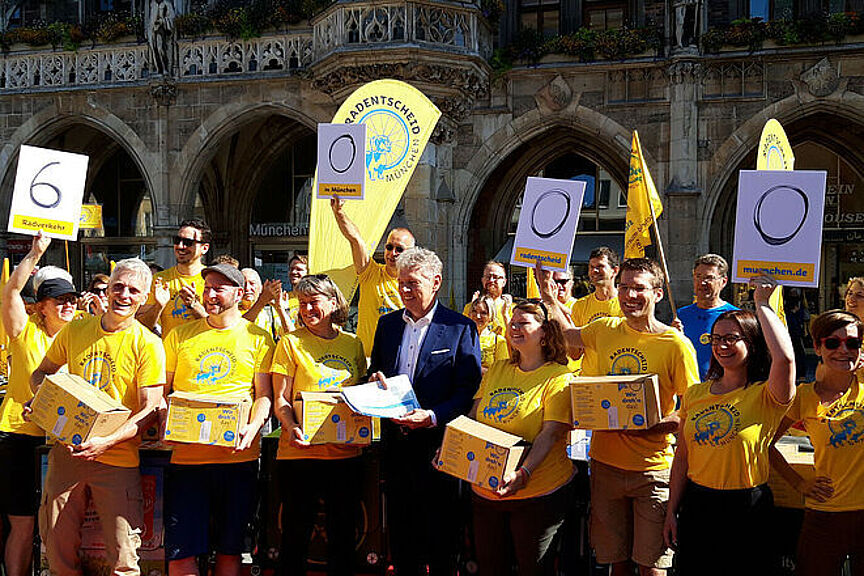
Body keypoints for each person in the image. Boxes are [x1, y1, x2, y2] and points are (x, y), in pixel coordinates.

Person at [537, 257, 700, 576]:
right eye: (624, 287)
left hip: (652, 471)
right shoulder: (604, 329)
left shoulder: (676, 345)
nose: (629, 296)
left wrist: (652, 426)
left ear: (658, 293)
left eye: (639, 288)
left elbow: (692, 412)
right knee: (616, 562)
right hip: (605, 467)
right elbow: (569, 335)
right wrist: (548, 296)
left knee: (651, 566)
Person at [30, 258, 166, 576]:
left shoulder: (148, 343)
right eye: (118, 287)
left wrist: (106, 442)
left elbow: (149, 410)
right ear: (108, 289)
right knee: (56, 547)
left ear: (144, 297)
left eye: (133, 290)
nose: (124, 295)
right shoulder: (76, 329)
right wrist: (43, 398)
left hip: (117, 457)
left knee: (124, 555)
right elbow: (41, 373)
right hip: (68, 452)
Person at [663, 276, 795, 576]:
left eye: (732, 338)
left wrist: (762, 304)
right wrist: (671, 510)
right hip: (698, 506)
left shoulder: (765, 395)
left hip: (748, 508)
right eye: (716, 338)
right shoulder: (695, 394)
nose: (722, 345)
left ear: (752, 343)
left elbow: (785, 359)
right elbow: (682, 458)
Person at [368, 247, 482, 575]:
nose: (404, 290)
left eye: (413, 283)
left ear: (436, 282)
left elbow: (467, 392)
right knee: (403, 543)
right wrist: (373, 381)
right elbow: (375, 372)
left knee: (442, 542)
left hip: (439, 451)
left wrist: (432, 417)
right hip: (396, 449)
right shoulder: (387, 325)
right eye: (401, 283)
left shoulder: (460, 328)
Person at [162, 263, 275, 576]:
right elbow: (162, 392)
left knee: (230, 551)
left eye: (218, 289)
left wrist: (253, 427)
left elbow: (264, 395)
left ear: (238, 294)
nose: (210, 294)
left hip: (237, 459)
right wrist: (164, 417)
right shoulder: (179, 335)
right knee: (181, 554)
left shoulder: (259, 338)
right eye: (207, 287)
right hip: (187, 460)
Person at [270, 274, 367, 576]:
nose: (307, 309)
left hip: (345, 456)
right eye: (302, 303)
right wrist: (290, 427)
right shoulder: (290, 343)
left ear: (333, 303)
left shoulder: (353, 343)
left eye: (313, 302)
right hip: (300, 454)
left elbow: (360, 396)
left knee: (343, 538)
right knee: (295, 537)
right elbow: (281, 399)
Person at [470, 299, 575, 575]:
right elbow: (473, 418)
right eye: (512, 323)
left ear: (545, 332)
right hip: (487, 493)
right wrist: (451, 447)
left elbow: (550, 433)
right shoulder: (497, 369)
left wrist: (524, 473)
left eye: (523, 323)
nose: (514, 328)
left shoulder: (559, 377)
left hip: (536, 495)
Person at [0, 233, 77, 576]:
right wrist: (35, 253)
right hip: (19, 436)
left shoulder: (80, 333)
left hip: (61, 439)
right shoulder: (24, 330)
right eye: (59, 299)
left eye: (72, 299)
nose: (67, 305)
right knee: (23, 522)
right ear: (40, 306)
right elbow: (11, 292)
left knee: (58, 523)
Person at [769, 310, 864, 576]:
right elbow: (765, 444)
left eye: (852, 343)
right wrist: (799, 483)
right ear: (817, 347)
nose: (843, 350)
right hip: (825, 513)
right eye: (832, 343)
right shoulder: (803, 397)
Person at [331, 198, 415, 355]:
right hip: (367, 358)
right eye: (389, 247)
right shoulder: (370, 273)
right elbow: (355, 239)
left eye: (399, 249)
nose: (392, 253)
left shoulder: (415, 284)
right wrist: (339, 212)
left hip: (398, 358)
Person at [137, 218, 211, 336]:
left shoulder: (212, 280)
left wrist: (193, 305)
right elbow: (142, 327)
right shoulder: (159, 280)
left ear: (205, 248)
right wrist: (158, 306)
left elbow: (219, 328)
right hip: (170, 347)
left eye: (188, 242)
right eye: (177, 240)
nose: (180, 246)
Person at [676, 254, 739, 379]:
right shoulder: (680, 315)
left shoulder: (735, 316)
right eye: (698, 276)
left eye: (709, 278)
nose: (702, 282)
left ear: (723, 282)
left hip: (722, 387)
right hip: (688, 387)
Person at [570, 247, 622, 327]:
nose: (594, 271)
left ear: (615, 271)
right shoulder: (580, 306)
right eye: (591, 267)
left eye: (600, 266)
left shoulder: (626, 304)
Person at [463, 261, 512, 334]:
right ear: (482, 280)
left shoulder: (512, 309)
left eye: (495, 277)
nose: (491, 280)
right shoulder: (469, 307)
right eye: (488, 277)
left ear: (504, 282)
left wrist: (505, 315)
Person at [240, 267, 287, 340]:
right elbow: (240, 330)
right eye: (243, 284)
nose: (247, 288)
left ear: (261, 288)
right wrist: (262, 300)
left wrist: (280, 307)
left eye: (252, 283)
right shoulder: (231, 310)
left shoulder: (270, 311)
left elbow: (291, 336)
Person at [468, 294, 509, 373]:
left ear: (491, 316)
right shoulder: (461, 338)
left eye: (483, 313)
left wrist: (480, 370)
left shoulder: (498, 341)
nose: (478, 316)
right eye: (474, 311)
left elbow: (502, 372)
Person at [282, 253, 308, 331]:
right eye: (291, 269)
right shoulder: (283, 298)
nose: (293, 272)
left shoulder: (311, 300)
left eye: (299, 269)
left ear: (308, 272)